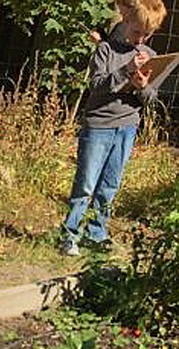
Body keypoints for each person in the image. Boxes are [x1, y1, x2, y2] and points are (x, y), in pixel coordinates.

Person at [63, 1, 166, 256]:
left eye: (146, 35)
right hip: (99, 126)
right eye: (136, 32)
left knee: (110, 184)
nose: (140, 39)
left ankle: (96, 233)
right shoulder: (106, 50)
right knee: (86, 184)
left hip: (127, 127)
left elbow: (153, 99)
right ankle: (70, 234)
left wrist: (142, 85)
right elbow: (96, 87)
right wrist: (126, 70)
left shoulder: (149, 55)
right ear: (126, 19)